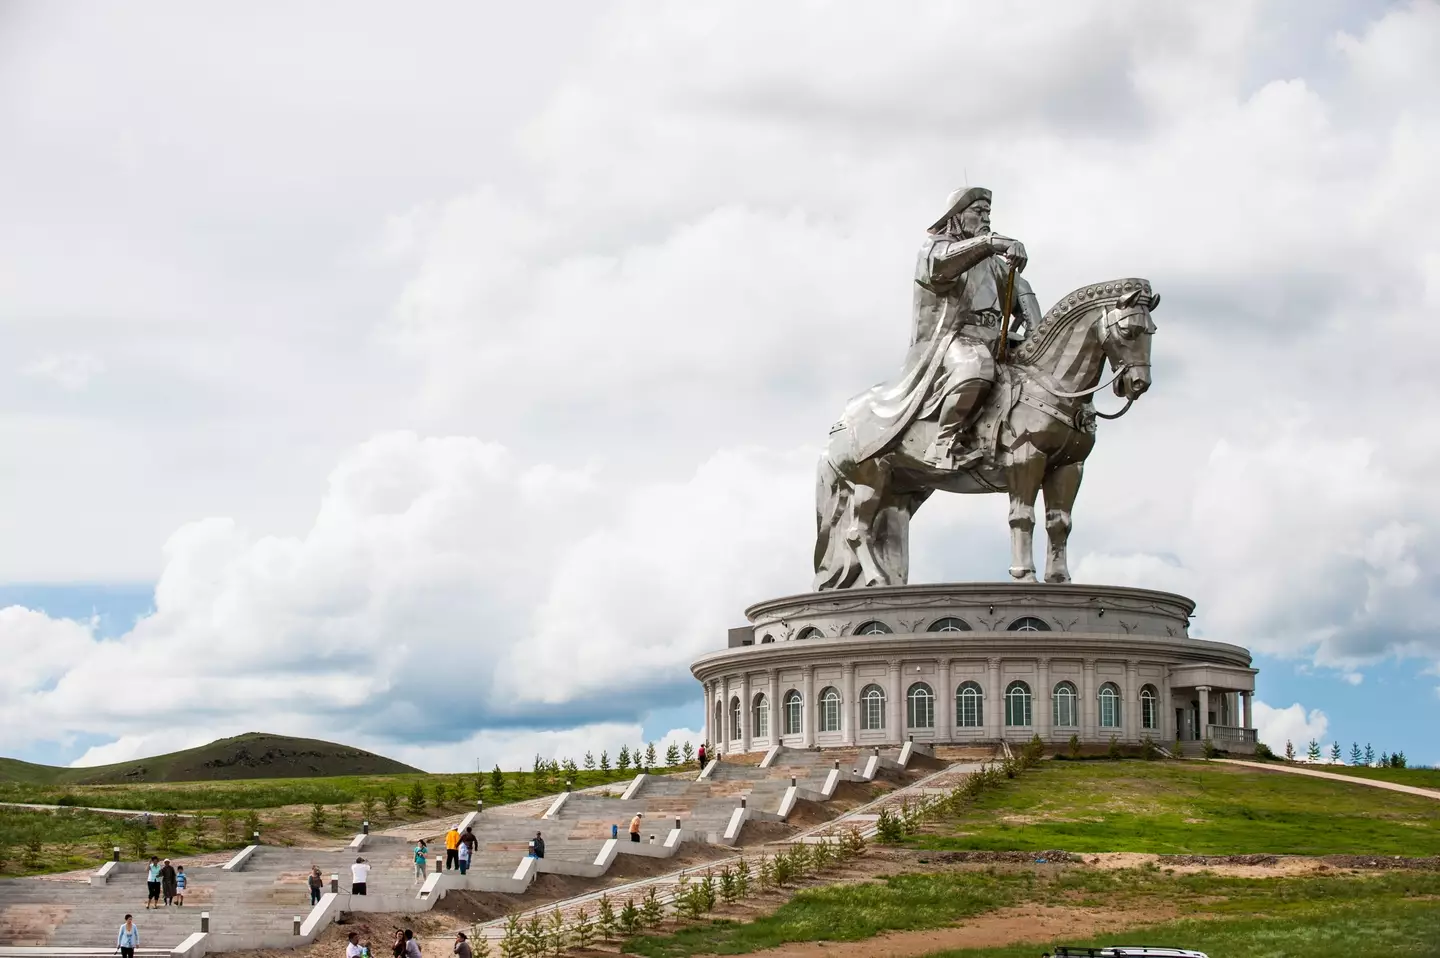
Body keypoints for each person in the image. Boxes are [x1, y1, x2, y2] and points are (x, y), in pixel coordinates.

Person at [846, 186, 1039, 471]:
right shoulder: (935, 250)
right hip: (953, 339)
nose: (985, 217)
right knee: (976, 368)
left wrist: (1037, 330)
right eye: (978, 211)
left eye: (988, 212)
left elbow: (1021, 289)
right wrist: (992, 242)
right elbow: (943, 266)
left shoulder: (991, 263)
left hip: (994, 337)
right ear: (957, 217)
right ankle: (943, 443)